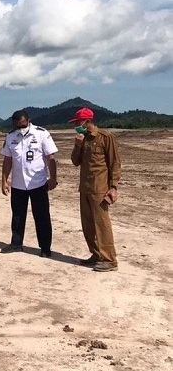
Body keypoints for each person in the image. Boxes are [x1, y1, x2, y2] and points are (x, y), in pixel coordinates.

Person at [0, 110, 59, 257]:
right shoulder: (10, 136)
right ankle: (16, 244)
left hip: (38, 183)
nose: (21, 127)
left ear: (28, 120)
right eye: (17, 125)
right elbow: (7, 160)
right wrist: (4, 181)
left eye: (23, 124)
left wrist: (53, 178)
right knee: (18, 216)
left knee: (42, 217)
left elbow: (50, 157)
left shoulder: (41, 133)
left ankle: (45, 248)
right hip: (18, 184)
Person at [69, 107, 121, 272]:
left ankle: (109, 259)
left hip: (100, 189)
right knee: (88, 225)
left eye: (78, 122)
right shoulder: (82, 138)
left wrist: (113, 187)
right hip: (84, 188)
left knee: (102, 224)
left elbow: (114, 163)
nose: (76, 125)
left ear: (87, 121)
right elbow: (75, 162)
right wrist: (77, 145)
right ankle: (96, 254)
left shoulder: (105, 137)